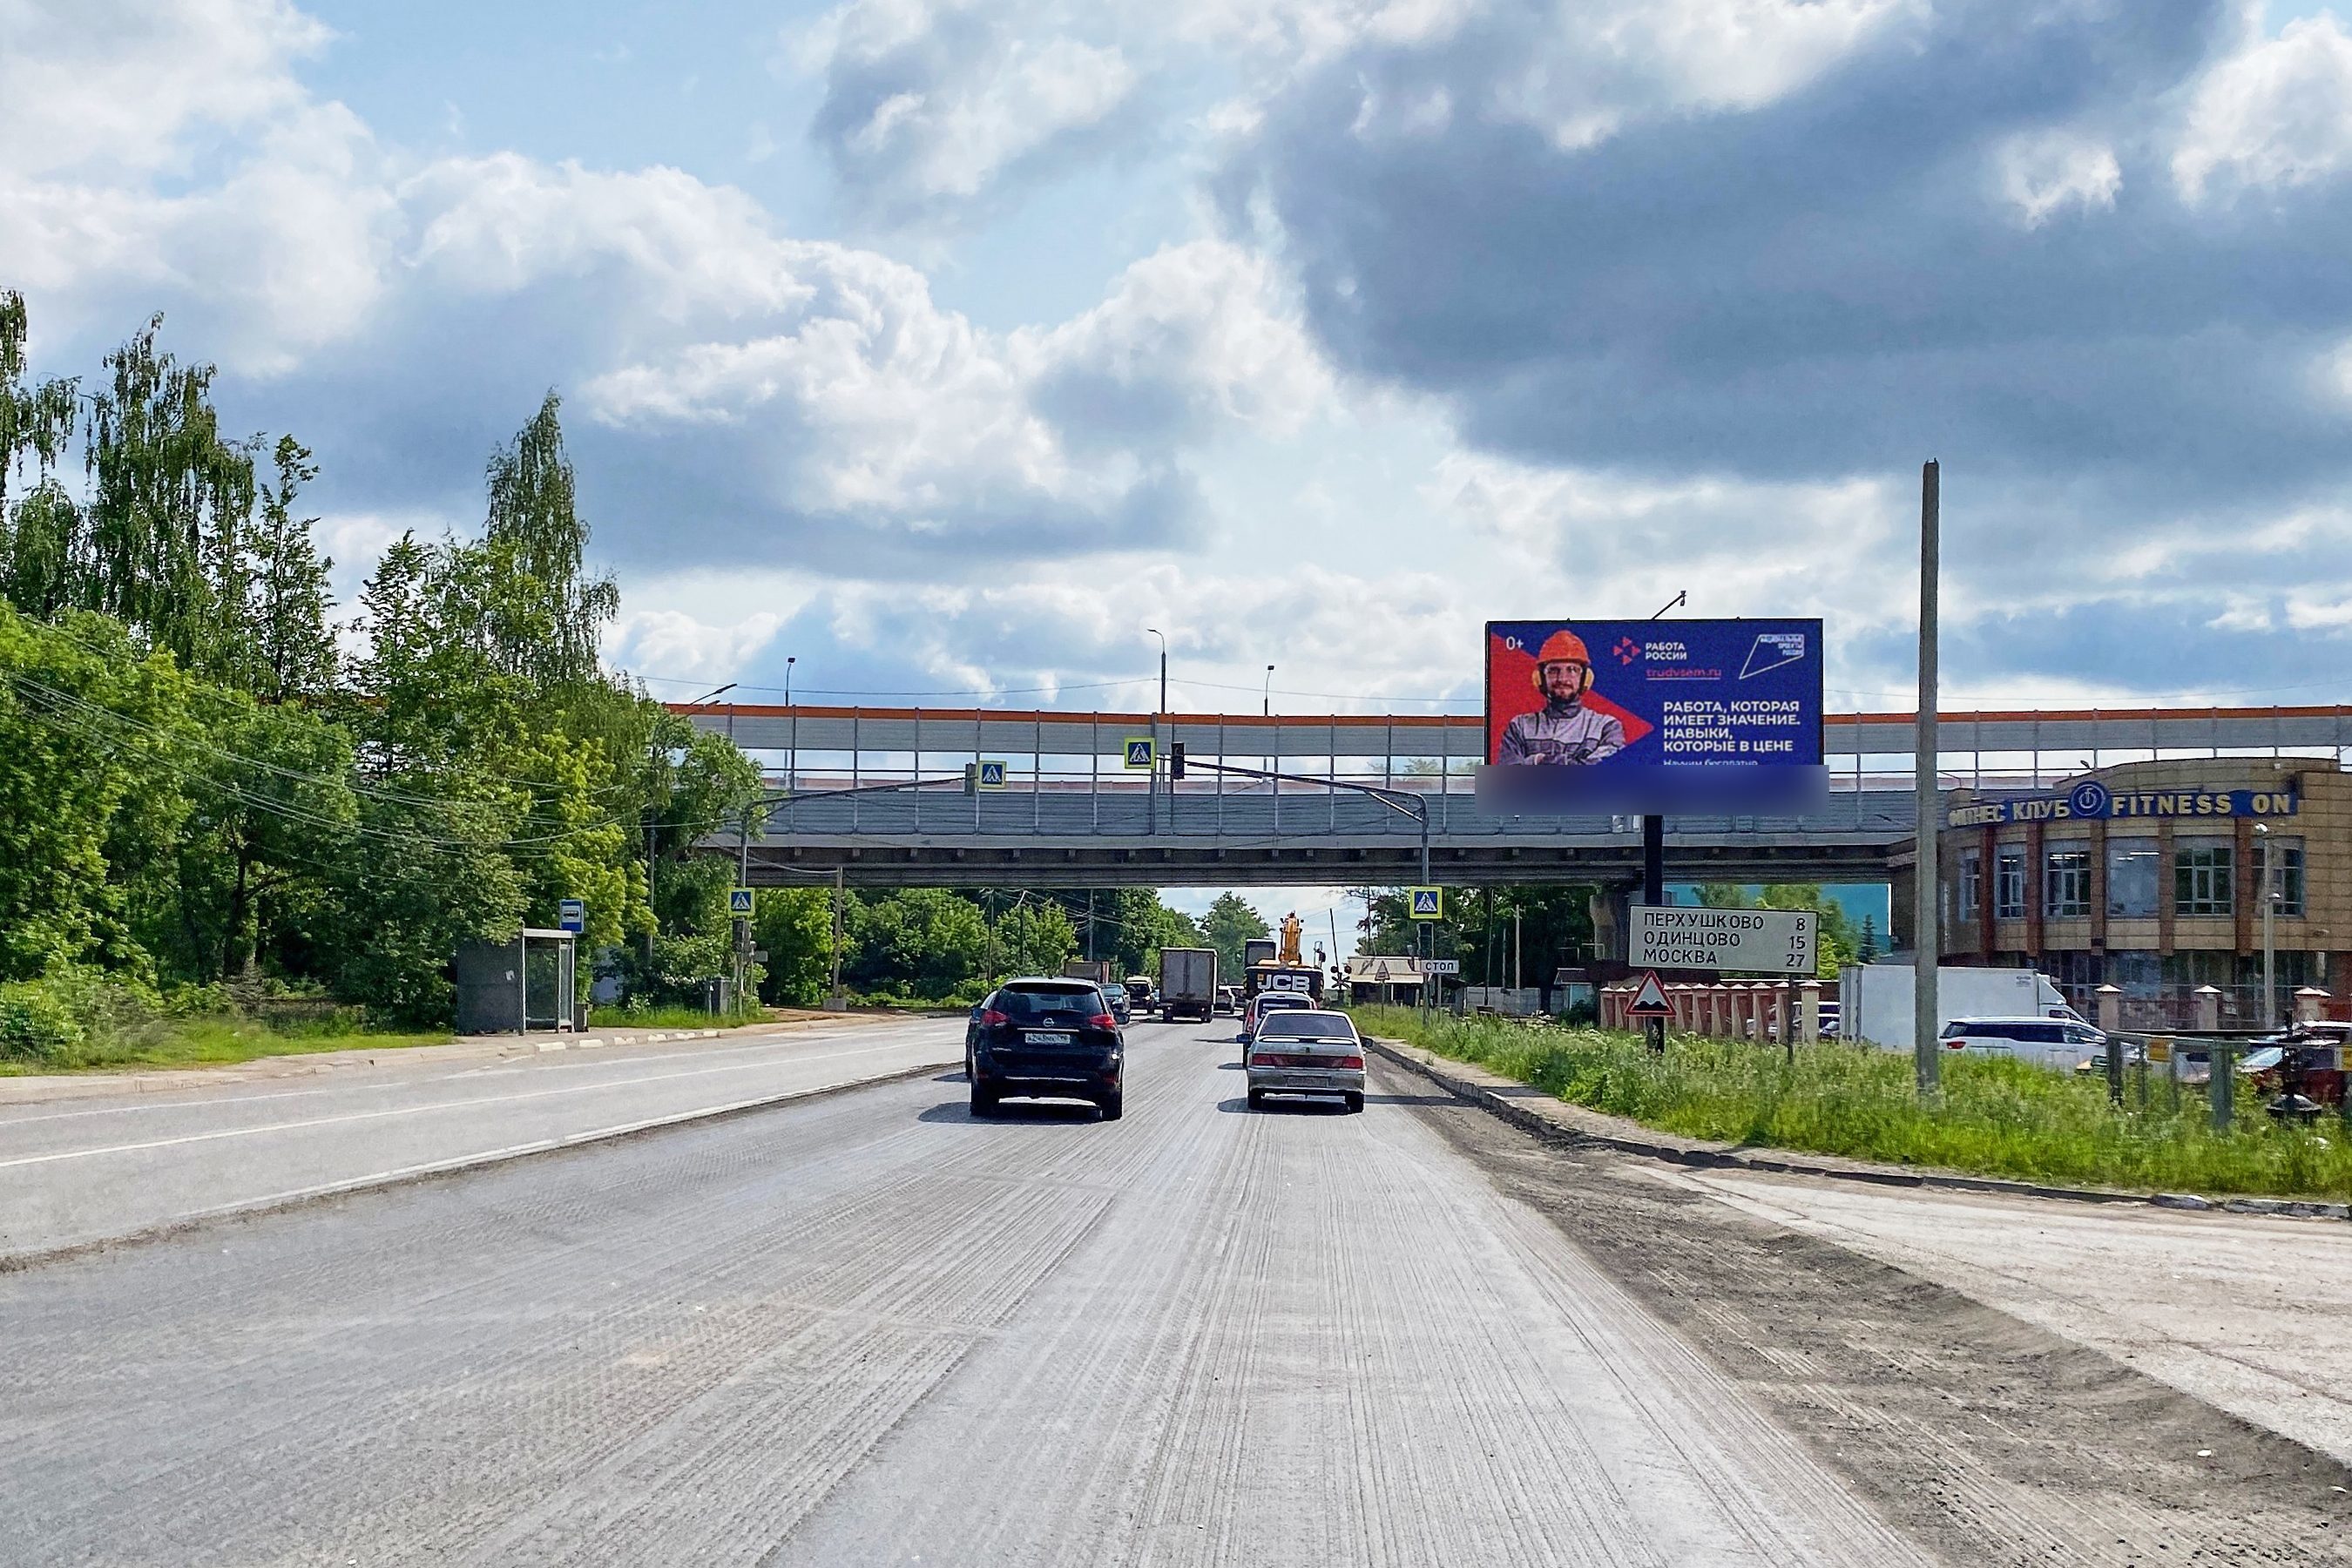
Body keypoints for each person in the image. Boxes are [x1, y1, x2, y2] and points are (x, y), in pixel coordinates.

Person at [1498, 630, 1625, 765]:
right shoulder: (1519, 726)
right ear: (1540, 678)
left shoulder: (1606, 727)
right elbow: (1506, 782)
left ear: (1585, 678)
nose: (1563, 678)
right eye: (1553, 671)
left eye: (1572, 670)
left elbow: (1607, 776)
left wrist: (1537, 761)